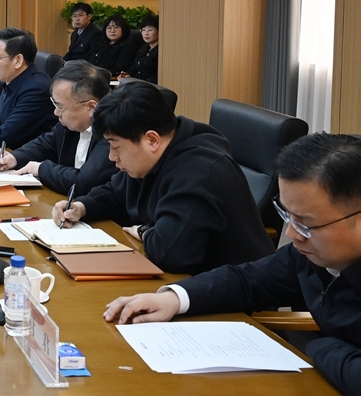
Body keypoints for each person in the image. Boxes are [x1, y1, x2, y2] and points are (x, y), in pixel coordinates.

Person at [103, 134, 361, 396]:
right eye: (287, 215)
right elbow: (249, 280)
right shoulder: (321, 248)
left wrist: (317, 346)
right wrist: (175, 298)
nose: (291, 235)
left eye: (305, 224)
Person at [54, 80, 272, 274]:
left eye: (116, 146)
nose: (112, 157)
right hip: (190, 281)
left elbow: (171, 253)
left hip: (233, 291)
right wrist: (82, 207)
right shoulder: (152, 155)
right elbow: (116, 191)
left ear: (152, 140)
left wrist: (144, 231)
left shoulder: (199, 171)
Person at [0, 61, 116, 194]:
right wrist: (13, 158)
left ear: (91, 107)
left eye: (60, 106)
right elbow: (44, 145)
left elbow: (83, 182)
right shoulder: (69, 124)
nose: (56, 112)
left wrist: (40, 169)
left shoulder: (112, 132)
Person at [120, 14, 159, 83]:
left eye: (150, 30)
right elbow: (133, 68)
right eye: (143, 30)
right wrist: (127, 75)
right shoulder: (143, 49)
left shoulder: (161, 51)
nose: (146, 33)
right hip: (136, 84)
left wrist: (136, 81)